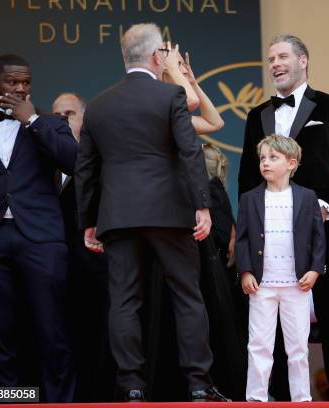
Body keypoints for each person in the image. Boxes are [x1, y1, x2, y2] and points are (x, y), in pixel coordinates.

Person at [74, 23, 229, 402]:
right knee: (187, 296)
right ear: (157, 57)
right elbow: (191, 151)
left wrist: (89, 221)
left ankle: (131, 386)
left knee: (124, 300)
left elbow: (85, 169)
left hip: (119, 216)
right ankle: (198, 384)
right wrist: (202, 205)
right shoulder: (170, 96)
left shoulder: (98, 106)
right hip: (170, 212)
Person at [238, 33, 329, 400]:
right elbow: (247, 177)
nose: (275, 64)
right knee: (270, 325)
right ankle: (274, 396)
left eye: (282, 57)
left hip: (328, 229)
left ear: (303, 60)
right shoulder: (256, 115)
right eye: (271, 58)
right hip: (272, 236)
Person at [0, 54, 77, 402]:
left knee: (52, 328)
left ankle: (58, 402)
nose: (19, 88)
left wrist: (31, 119)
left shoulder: (49, 123)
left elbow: (74, 161)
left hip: (41, 240)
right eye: (11, 82)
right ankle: (7, 401)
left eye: (25, 82)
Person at [236, 135, 326, 402]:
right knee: (259, 344)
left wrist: (315, 269)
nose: (265, 163)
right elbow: (241, 239)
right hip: (261, 284)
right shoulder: (250, 198)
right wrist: (246, 271)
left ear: (291, 163)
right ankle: (255, 397)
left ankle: (301, 398)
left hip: (296, 283)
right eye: (262, 158)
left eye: (273, 157)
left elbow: (318, 237)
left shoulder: (307, 197)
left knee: (298, 345)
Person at [52, 92, 114, 402]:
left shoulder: (102, 162)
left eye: (70, 114)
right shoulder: (41, 164)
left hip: (95, 272)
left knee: (96, 342)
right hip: (53, 274)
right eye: (57, 116)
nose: (62, 120)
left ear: (84, 119)